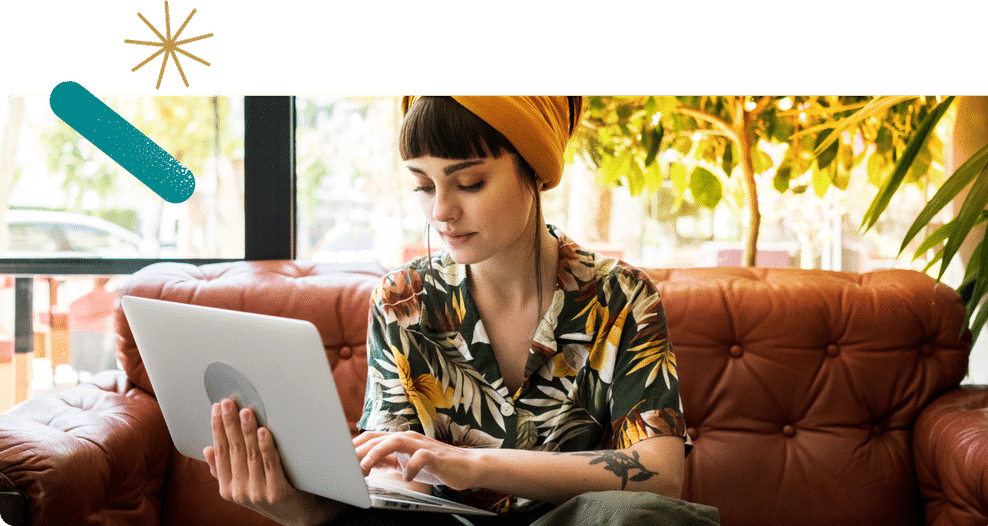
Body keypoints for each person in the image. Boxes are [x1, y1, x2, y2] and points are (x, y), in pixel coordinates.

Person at [203, 96, 720, 526]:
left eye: (469, 183)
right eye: (424, 185)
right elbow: (393, 479)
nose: (441, 212)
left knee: (634, 516)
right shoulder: (403, 300)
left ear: (535, 170)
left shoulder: (622, 297)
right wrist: (302, 510)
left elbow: (659, 474)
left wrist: (474, 464)